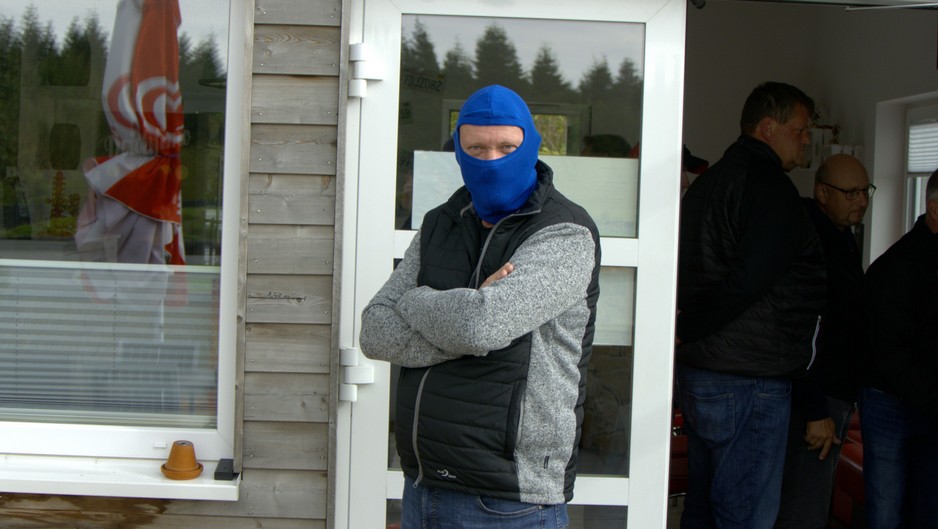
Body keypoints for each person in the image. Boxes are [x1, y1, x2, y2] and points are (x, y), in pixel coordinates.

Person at [359, 84, 601, 528]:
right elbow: (375, 332)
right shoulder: (440, 224)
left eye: (506, 147)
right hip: (423, 485)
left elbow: (479, 326)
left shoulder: (564, 232)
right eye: (476, 148)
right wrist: (464, 314)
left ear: (531, 145)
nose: (492, 161)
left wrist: (416, 300)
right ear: (459, 151)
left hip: (511, 499)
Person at [674, 81, 827, 529]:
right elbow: (748, 281)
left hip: (702, 372)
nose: (806, 140)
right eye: (799, 129)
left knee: (702, 510)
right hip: (749, 380)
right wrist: (690, 326)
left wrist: (688, 330)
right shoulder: (770, 187)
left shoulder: (709, 183)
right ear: (768, 127)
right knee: (745, 517)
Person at [775, 153, 874, 529]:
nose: (861, 201)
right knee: (804, 507)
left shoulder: (842, 236)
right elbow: (805, 330)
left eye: (865, 191)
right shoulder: (814, 241)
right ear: (822, 193)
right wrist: (816, 410)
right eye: (850, 193)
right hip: (815, 397)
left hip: (833, 393)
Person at [859, 168, 938, 529]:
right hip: (890, 401)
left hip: (927, 400)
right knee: (887, 512)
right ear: (934, 209)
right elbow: (891, 352)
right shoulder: (898, 266)